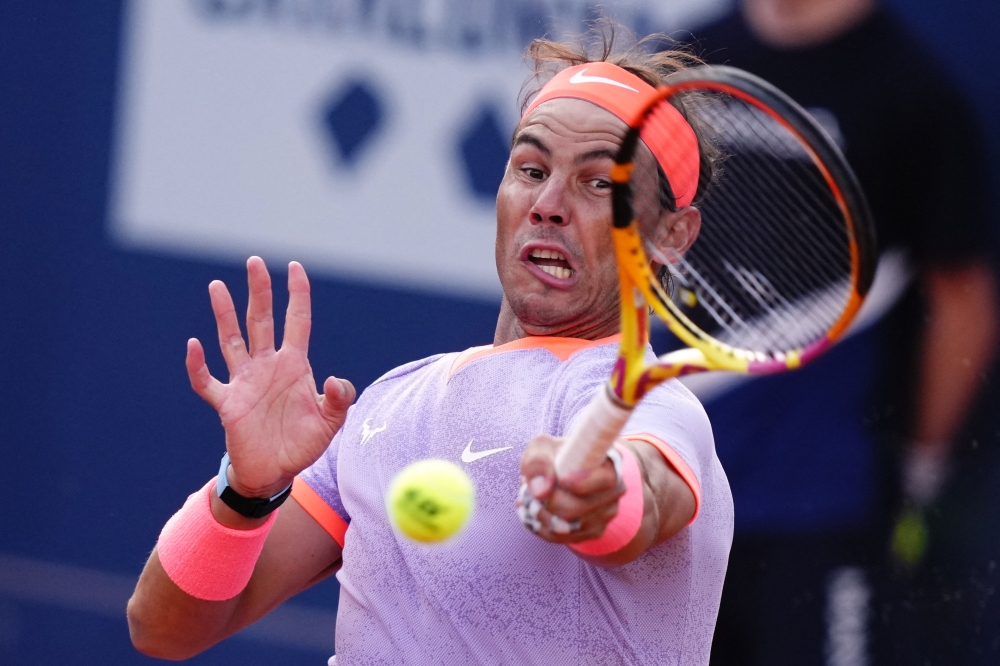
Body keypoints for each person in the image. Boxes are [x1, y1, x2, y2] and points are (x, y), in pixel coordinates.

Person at [126, 30, 734, 665]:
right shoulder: (389, 404)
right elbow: (164, 629)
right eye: (531, 171)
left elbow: (641, 495)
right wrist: (245, 493)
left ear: (671, 234)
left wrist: (598, 491)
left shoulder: (644, 400)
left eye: (600, 184)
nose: (548, 205)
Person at [679, 0, 999, 663]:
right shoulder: (690, 59)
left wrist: (919, 466)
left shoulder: (915, 93)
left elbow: (962, 303)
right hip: (674, 483)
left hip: (824, 503)